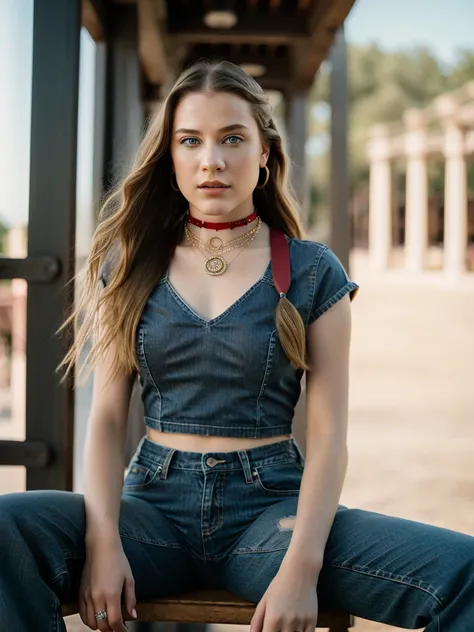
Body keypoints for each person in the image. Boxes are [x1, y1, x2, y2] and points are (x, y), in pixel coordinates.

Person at [0, 60, 473, 632]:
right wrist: (103, 543)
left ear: (265, 154)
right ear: (170, 156)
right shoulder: (130, 265)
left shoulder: (312, 271)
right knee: (7, 529)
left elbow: (328, 438)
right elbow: (104, 421)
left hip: (274, 517)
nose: (211, 160)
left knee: (463, 570)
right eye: (190, 140)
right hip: (149, 512)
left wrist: (301, 565)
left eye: (232, 139)